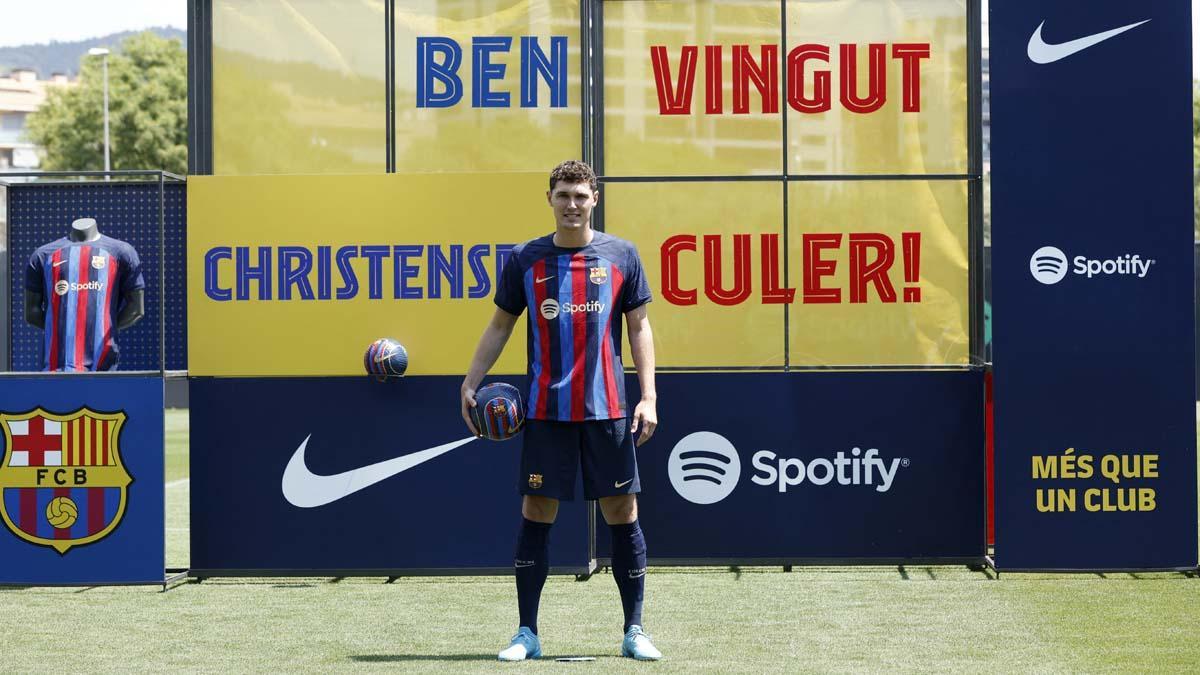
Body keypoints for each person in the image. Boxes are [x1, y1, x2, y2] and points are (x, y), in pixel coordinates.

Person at [460, 160, 662, 661]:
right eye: (563, 195)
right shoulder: (525, 259)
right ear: (548, 198)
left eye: (580, 196)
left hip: (608, 409)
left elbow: (639, 328)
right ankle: (526, 632)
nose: (572, 204)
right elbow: (500, 326)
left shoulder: (622, 255)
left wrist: (649, 396)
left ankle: (634, 630)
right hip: (546, 410)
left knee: (623, 511)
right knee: (537, 511)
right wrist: (470, 381)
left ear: (594, 200)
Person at [25, 217, 145, 371]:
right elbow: (31, 312)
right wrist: (61, 328)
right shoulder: (43, 255)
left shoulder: (122, 252)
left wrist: (106, 329)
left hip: (103, 363)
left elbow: (137, 309)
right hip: (56, 366)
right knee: (57, 395)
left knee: (99, 395)